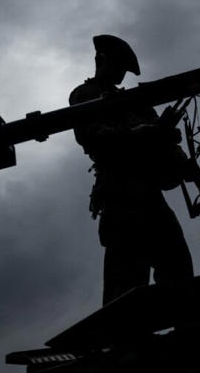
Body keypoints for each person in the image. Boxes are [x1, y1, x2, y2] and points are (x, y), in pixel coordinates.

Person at [69, 34, 193, 305]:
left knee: (178, 270)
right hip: (120, 197)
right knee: (126, 289)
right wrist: (146, 133)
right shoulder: (85, 95)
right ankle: (123, 346)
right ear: (101, 60)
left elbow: (162, 139)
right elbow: (93, 137)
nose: (122, 76)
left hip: (150, 196)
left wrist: (167, 137)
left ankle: (186, 335)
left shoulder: (136, 102)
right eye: (118, 67)